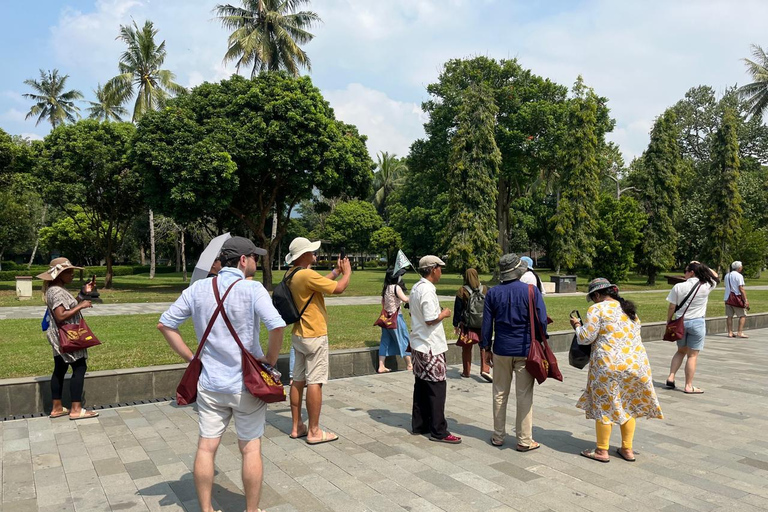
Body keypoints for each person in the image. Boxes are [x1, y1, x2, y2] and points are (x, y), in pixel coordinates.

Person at [157, 236, 286, 512]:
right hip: (246, 385)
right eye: (253, 256)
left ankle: (206, 509)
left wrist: (193, 359)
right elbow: (277, 325)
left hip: (210, 383)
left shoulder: (198, 289)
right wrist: (270, 360)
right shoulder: (252, 290)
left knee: (206, 447)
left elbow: (165, 324)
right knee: (250, 448)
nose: (255, 261)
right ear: (242, 260)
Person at [571, 278, 662, 463]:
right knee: (627, 404)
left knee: (605, 405)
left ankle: (602, 450)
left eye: (593, 297)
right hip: (637, 365)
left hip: (608, 365)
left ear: (597, 295)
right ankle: (627, 449)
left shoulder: (597, 309)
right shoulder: (630, 311)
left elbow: (586, 338)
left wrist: (577, 326)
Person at [285, 237, 351, 444]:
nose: (315, 254)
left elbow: (318, 283)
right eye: (312, 251)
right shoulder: (305, 274)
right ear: (304, 255)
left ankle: (297, 426)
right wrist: (347, 272)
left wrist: (335, 272)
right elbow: (338, 289)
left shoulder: (293, 274)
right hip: (314, 333)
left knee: (298, 379)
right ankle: (314, 431)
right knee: (315, 381)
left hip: (299, 334)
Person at [482, 254, 544, 451]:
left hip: (501, 348)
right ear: (519, 271)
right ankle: (524, 440)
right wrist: (542, 342)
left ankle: (498, 436)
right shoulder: (531, 291)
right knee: (524, 394)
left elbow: (486, 325)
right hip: (525, 348)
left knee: (499, 392)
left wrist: (485, 348)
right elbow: (541, 320)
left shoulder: (492, 293)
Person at [37, 257, 99, 420]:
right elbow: (61, 315)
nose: (72, 274)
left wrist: (83, 294)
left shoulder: (56, 289)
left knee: (60, 368)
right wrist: (82, 305)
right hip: (68, 336)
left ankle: (57, 407)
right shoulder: (57, 291)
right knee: (79, 368)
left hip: (59, 336)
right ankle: (76, 409)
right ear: (58, 274)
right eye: (68, 272)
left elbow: (67, 307)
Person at [409, 255, 461, 443]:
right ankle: (439, 430)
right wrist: (445, 314)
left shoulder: (416, 287)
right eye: (440, 268)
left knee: (421, 385)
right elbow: (430, 319)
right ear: (432, 269)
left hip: (418, 343)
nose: (441, 271)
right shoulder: (428, 290)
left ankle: (420, 424)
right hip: (430, 346)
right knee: (437, 387)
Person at [665, 261, 719, 394]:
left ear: (691, 272)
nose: (684, 273)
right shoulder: (707, 285)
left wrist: (669, 321)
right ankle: (688, 385)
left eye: (686, 271)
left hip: (680, 323)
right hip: (697, 322)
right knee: (692, 356)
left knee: (680, 351)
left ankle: (671, 376)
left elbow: (672, 306)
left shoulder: (678, 287)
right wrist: (702, 265)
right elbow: (715, 275)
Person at [452, 268, 492, 381]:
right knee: (484, 346)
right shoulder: (485, 289)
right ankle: (485, 369)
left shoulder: (462, 291)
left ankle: (466, 372)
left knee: (466, 348)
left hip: (468, 324)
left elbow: (458, 310)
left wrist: (456, 324)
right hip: (483, 323)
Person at [377, 269, 412, 373]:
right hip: (396, 319)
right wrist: (414, 298)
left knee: (384, 342)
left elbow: (382, 303)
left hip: (386, 319)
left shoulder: (386, 288)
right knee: (404, 340)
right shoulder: (396, 287)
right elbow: (405, 299)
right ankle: (409, 364)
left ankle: (381, 366)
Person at [724, 261, 749, 338]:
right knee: (742, 315)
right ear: (739, 268)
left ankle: (730, 332)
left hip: (727, 297)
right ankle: (740, 332)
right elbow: (741, 288)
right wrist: (746, 300)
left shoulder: (727, 275)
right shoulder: (739, 276)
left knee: (729, 316)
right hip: (736, 298)